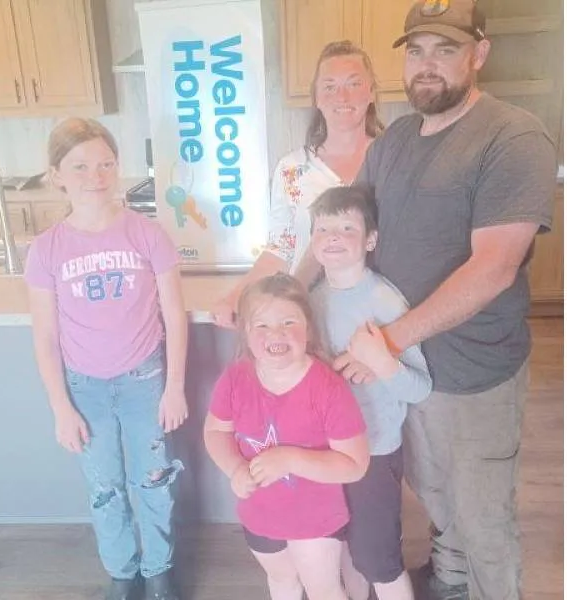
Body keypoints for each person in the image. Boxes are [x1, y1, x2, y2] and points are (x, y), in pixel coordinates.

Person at [351, 1, 558, 599]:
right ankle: (452, 579)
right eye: (416, 51)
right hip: (406, 369)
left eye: (446, 50)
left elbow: (493, 268)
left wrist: (390, 342)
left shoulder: (512, 136)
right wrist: (288, 292)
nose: (427, 65)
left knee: (483, 516)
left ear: (479, 53)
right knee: (435, 490)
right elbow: (345, 222)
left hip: (473, 371)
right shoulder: (394, 141)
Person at [25, 118, 189, 600]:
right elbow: (45, 337)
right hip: (85, 389)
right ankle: (122, 571)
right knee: (105, 487)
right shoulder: (46, 250)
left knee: (153, 481)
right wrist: (61, 407)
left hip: (145, 380)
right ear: (56, 175)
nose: (95, 176)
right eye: (80, 166)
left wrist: (175, 386)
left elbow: (174, 315)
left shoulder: (148, 234)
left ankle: (158, 569)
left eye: (105, 164)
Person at [204, 274, 369, 600]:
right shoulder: (235, 378)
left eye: (288, 322)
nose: (275, 333)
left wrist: (289, 459)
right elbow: (215, 431)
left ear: (308, 327)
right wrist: (235, 468)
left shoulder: (328, 388)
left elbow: (355, 464)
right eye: (261, 325)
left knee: (323, 591)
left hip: (315, 520)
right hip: (260, 513)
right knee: (282, 582)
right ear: (246, 332)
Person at [309, 187, 432, 600]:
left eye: (347, 227)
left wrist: (381, 362)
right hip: (326, 450)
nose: (333, 236)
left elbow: (420, 387)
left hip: (375, 451)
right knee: (345, 547)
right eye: (323, 228)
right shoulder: (310, 302)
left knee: (378, 558)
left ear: (370, 240)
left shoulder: (385, 301)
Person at [212, 40, 383, 326]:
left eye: (354, 84)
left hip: (378, 318)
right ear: (316, 97)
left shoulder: (393, 160)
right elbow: (280, 250)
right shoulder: (292, 170)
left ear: (371, 92)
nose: (342, 96)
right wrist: (237, 295)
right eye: (329, 86)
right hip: (310, 317)